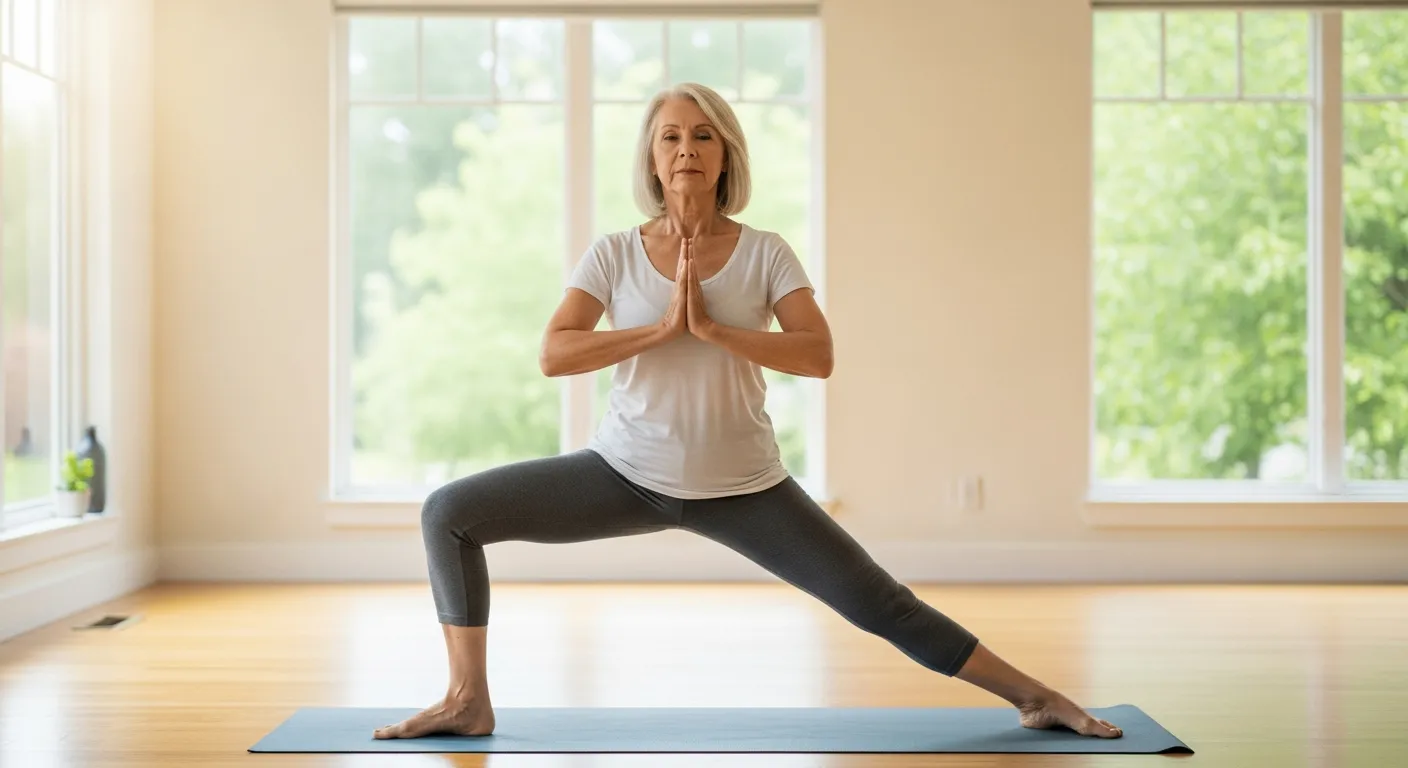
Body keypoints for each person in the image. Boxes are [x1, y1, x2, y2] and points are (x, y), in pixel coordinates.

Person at [374, 82, 1123, 742]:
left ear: (726, 155)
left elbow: (817, 354)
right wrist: (660, 329)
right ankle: (468, 700)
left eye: (704, 135)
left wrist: (716, 330)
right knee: (450, 511)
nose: (687, 149)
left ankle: (1038, 696)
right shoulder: (613, 254)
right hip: (623, 471)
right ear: (652, 157)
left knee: (881, 605)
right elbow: (555, 353)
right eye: (670, 136)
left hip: (746, 488)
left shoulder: (765, 253)